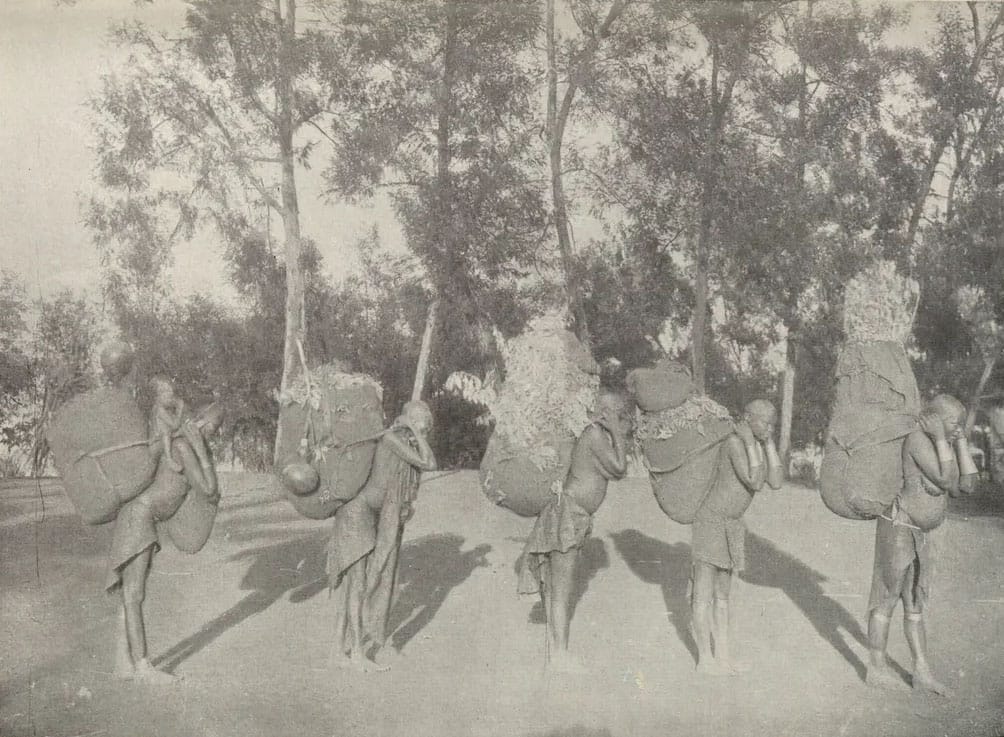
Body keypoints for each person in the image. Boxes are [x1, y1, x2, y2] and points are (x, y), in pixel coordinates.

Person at [107, 399, 223, 684]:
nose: (214, 433)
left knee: (131, 594)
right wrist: (201, 451)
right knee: (134, 595)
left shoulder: (182, 445)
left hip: (140, 518)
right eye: (213, 427)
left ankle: (124, 662)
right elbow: (209, 491)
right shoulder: (183, 447)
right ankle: (143, 666)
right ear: (200, 421)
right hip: (139, 517)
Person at [516, 391, 632, 673]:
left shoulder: (595, 436)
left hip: (574, 516)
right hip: (567, 515)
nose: (622, 418)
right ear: (607, 412)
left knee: (559, 589)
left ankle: (556, 653)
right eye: (618, 413)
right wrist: (617, 432)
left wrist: (616, 434)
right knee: (561, 590)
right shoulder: (593, 435)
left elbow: (616, 472)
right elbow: (619, 467)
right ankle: (559, 656)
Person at [866, 394, 968, 696]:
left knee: (914, 603)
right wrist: (940, 438)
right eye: (952, 422)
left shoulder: (943, 442)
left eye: (960, 423)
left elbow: (968, 485)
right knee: (888, 596)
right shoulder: (917, 440)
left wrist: (958, 442)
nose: (957, 427)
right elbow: (947, 479)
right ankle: (876, 668)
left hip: (922, 534)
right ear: (932, 419)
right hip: (900, 527)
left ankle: (921, 672)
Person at [328, 400, 437, 672]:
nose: (424, 432)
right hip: (357, 514)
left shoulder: (400, 441)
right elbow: (429, 462)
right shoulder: (391, 438)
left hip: (366, 515)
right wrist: (411, 425)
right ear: (410, 419)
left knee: (356, 584)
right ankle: (355, 655)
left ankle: (337, 650)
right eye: (422, 425)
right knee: (359, 583)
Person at [691, 399, 783, 676]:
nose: (769, 428)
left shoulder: (754, 444)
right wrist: (754, 446)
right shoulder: (733, 443)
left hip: (731, 525)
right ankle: (705, 659)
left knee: (723, 597)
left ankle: (724, 657)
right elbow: (754, 481)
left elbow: (776, 482)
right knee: (703, 595)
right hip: (711, 522)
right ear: (747, 419)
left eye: (772, 424)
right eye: (764, 422)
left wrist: (766, 444)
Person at [150, 376, 187, 473]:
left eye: (171, 395)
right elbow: (174, 425)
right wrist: (180, 410)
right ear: (158, 397)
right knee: (166, 433)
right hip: (159, 438)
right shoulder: (160, 409)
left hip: (169, 434)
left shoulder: (165, 407)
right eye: (167, 395)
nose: (171, 398)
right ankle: (169, 459)